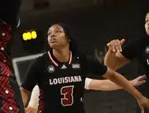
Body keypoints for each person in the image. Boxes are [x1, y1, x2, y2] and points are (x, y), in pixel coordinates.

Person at [20, 23, 149, 112]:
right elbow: (24, 92)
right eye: (49, 34)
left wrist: (137, 94)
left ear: (68, 38)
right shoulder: (40, 65)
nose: (52, 35)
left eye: (57, 32)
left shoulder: (80, 61)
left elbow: (106, 80)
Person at [25, 75, 146, 113]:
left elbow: (102, 85)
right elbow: (32, 110)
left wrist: (130, 83)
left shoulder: (73, 78)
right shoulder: (38, 89)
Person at [105, 11, 149, 94]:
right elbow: (110, 67)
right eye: (146, 21)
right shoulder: (140, 43)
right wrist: (111, 52)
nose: (148, 23)